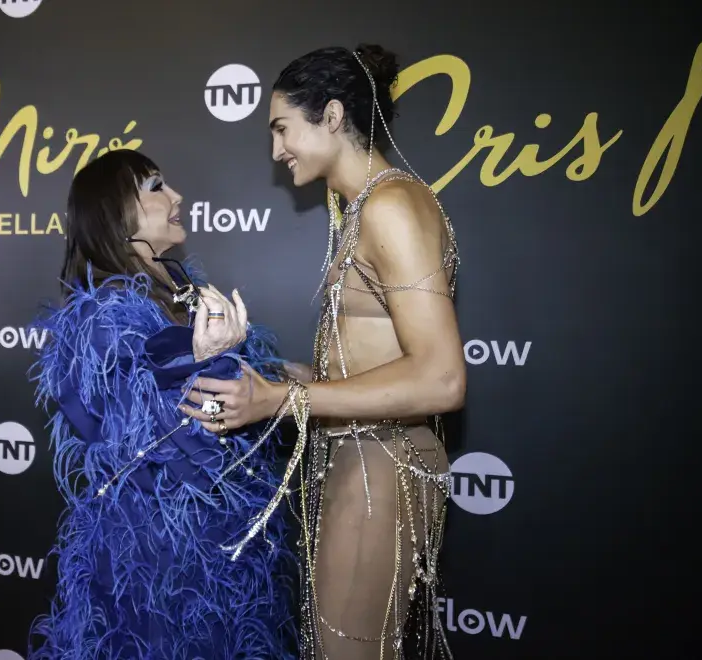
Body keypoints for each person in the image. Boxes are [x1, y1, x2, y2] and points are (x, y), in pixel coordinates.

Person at [181, 44, 466, 659]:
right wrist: (259, 372)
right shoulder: (363, 209)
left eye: (282, 128)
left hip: (383, 466)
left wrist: (283, 399)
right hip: (358, 460)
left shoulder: (391, 206)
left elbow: (442, 379)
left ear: (332, 115)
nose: (276, 150)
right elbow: (363, 368)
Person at [25, 149, 298, 659]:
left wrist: (293, 382)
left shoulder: (183, 291)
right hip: (157, 560)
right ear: (115, 211)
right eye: (156, 186)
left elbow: (250, 398)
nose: (176, 197)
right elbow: (160, 445)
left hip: (224, 551)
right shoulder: (101, 320)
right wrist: (210, 363)